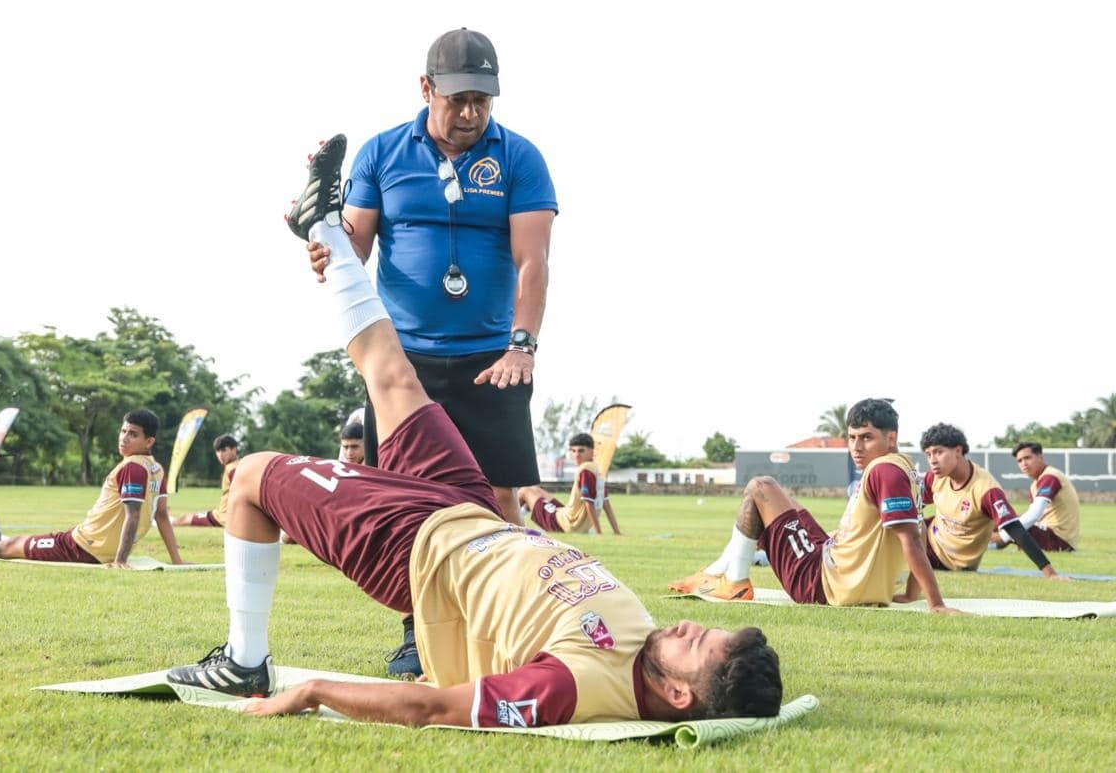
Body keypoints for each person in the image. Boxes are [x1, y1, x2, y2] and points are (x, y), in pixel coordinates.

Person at [164, 157, 782, 727]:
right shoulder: (642, 639)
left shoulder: (575, 685)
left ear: (679, 694)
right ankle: (324, 226)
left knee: (251, 474)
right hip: (471, 513)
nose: (685, 624)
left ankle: (244, 661)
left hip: (421, 551)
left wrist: (312, 691)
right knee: (395, 376)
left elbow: (431, 708)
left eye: (694, 643)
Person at [304, 29, 557, 675]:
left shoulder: (520, 159)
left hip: (491, 362)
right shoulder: (385, 152)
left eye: (482, 100)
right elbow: (355, 248)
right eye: (458, 99)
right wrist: (327, 248)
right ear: (427, 89)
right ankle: (419, 635)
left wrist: (522, 347)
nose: (471, 113)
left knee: (500, 501)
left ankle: (510, 632)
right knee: (409, 503)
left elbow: (534, 262)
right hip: (404, 367)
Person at [669, 399, 958, 613]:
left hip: (821, 583)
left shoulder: (884, 470)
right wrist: (910, 594)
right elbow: (919, 528)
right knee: (781, 500)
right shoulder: (905, 467)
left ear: (890, 438)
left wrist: (936, 604)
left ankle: (734, 580)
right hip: (833, 561)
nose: (856, 447)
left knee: (760, 487)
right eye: (853, 437)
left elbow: (911, 539)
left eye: (867, 438)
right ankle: (716, 571)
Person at [0, 409, 185, 569]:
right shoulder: (156, 469)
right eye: (123, 431)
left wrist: (120, 560)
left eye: (133, 434)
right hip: (87, 541)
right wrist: (177, 560)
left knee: (14, 548)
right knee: (27, 542)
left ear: (149, 441)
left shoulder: (133, 467)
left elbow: (134, 515)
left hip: (83, 547)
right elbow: (160, 514)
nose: (124, 438)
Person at [916, 423, 1063, 579]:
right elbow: (915, 508)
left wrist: (1050, 573)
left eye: (938, 452)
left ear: (958, 451)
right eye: (928, 454)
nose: (932, 460)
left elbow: (1016, 529)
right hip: (929, 541)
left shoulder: (986, 489)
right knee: (897, 523)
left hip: (952, 560)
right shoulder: (934, 477)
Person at [517, 433, 621, 535]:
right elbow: (606, 503)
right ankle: (521, 516)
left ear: (592, 452)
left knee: (524, 491)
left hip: (564, 525)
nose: (576, 455)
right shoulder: (597, 471)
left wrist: (599, 533)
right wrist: (616, 531)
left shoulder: (585, 470)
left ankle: (507, 527)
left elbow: (588, 503)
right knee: (535, 490)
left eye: (581, 451)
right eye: (573, 451)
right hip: (569, 520)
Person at [990, 441, 1080, 552]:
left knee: (1011, 524)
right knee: (1002, 519)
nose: (1024, 464)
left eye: (1027, 458)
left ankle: (987, 547)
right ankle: (987, 547)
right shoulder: (1035, 484)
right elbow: (1035, 517)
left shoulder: (1050, 476)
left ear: (1040, 457)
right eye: (1019, 461)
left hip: (1059, 540)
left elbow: (1033, 515)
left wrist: (1002, 536)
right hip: (1050, 533)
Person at [173, 435, 241, 528]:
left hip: (224, 517)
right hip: (224, 515)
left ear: (234, 449)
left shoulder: (232, 468)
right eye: (218, 451)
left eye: (224, 450)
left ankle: (159, 524)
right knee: (185, 518)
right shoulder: (239, 465)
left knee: (184, 519)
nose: (220, 455)